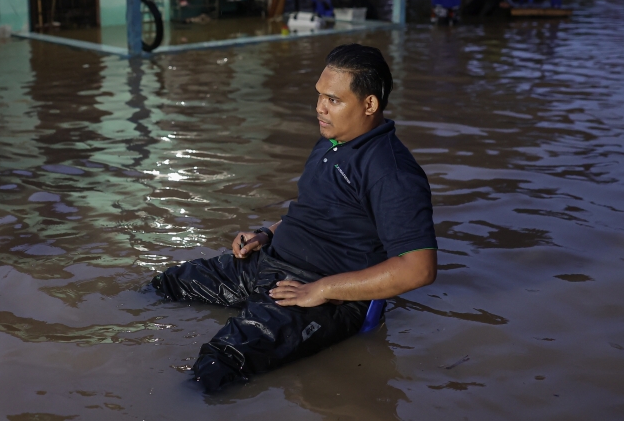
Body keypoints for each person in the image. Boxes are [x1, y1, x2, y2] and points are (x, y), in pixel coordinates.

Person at [152, 44, 438, 392]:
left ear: (369, 104)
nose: (319, 107)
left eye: (333, 100)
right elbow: (315, 214)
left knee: (217, 366)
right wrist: (265, 234)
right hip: (270, 264)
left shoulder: (391, 172)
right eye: (319, 96)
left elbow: (419, 268)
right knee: (164, 286)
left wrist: (321, 290)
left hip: (320, 295)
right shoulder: (332, 141)